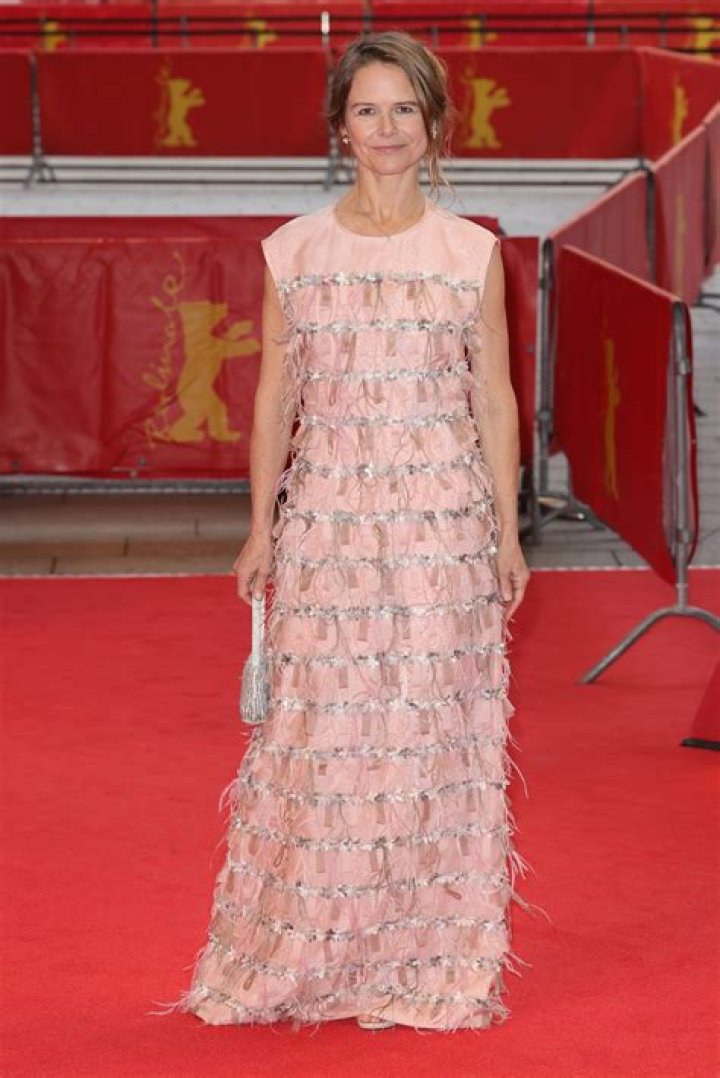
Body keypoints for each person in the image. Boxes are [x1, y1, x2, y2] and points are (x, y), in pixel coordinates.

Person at [167, 30, 530, 1032]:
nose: (386, 128)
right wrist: (259, 527)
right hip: (327, 522)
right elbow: (274, 393)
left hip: (440, 529)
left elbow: (494, 395)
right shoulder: (295, 250)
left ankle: (421, 955)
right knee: (324, 738)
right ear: (340, 128)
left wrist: (507, 531)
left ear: (434, 125)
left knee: (425, 736)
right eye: (367, 110)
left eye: (404, 109)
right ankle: (310, 952)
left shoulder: (470, 253)